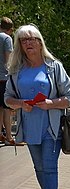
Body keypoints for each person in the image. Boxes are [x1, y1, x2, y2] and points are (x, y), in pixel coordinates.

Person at [5, 24, 70, 189]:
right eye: (24, 40)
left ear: (40, 42)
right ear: (19, 44)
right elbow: (7, 98)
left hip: (51, 127)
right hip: (29, 127)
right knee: (39, 167)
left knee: (50, 167)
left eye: (32, 39)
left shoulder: (54, 67)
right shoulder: (16, 70)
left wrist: (51, 104)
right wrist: (20, 104)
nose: (28, 43)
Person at [0, 16, 14, 145]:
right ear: (10, 29)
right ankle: (9, 137)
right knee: (6, 108)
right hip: (3, 78)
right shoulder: (7, 39)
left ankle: (0, 134)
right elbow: (8, 60)